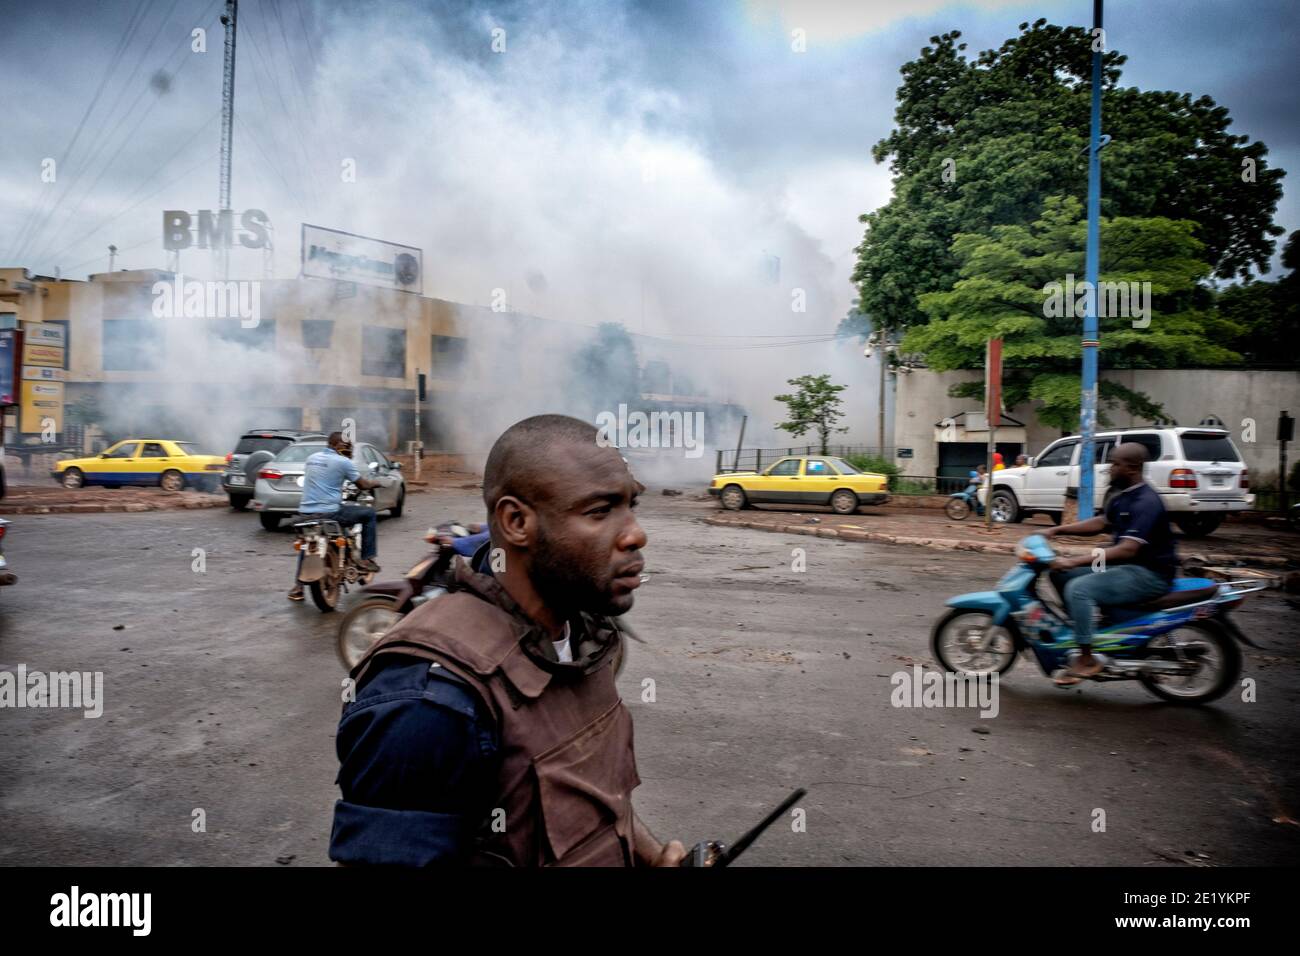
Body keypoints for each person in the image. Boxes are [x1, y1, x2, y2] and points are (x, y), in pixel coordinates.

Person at [328, 414, 686, 867]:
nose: (636, 533)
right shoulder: (428, 701)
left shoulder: (582, 639)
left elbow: (594, 804)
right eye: (600, 510)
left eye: (631, 505)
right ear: (517, 521)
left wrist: (654, 857)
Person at [1042, 442, 1176, 683]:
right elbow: (1101, 523)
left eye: (1115, 464)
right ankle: (1086, 630)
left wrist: (1075, 561)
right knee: (1059, 574)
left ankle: (1086, 659)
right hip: (1125, 566)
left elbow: (1127, 549)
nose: (1109, 469)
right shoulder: (1122, 496)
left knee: (1079, 589)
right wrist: (1055, 530)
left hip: (1149, 573)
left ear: (1132, 468)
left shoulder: (1146, 502)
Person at [288, 432, 386, 601]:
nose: (348, 450)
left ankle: (298, 587)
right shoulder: (343, 462)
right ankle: (368, 558)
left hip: (305, 512)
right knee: (369, 514)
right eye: (345, 446)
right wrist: (376, 483)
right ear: (335, 445)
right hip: (330, 512)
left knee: (308, 544)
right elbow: (362, 484)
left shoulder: (312, 458)